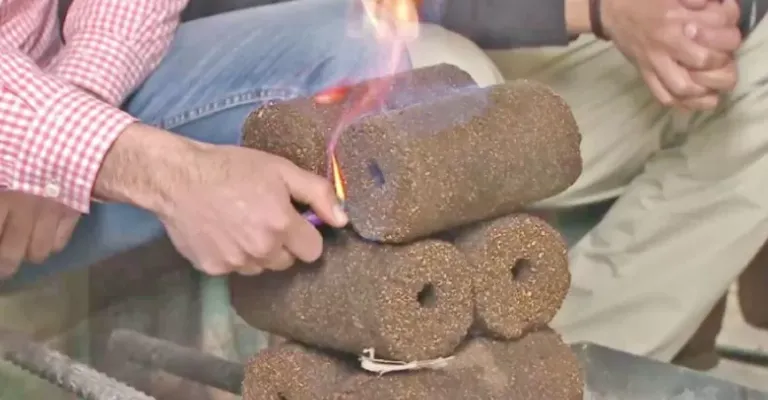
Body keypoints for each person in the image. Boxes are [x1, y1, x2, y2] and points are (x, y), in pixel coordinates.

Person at [0, 0, 755, 360]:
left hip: (72, 75)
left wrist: (73, 117)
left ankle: (548, 363)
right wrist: (111, 156)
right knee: (424, 89)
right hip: (420, 36)